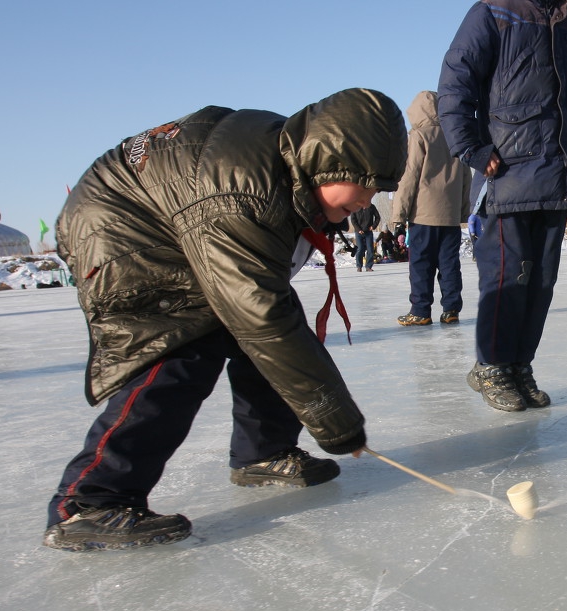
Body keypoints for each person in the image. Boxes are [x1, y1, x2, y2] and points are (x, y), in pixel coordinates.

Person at [42, 88, 407, 551]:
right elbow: (262, 321)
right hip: (120, 233)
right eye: (365, 181)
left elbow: (268, 319)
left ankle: (263, 451)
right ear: (330, 162)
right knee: (181, 350)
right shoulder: (243, 193)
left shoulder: (285, 161)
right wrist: (339, 425)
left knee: (274, 326)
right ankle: (89, 502)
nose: (369, 198)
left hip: (166, 217)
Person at [438, 0, 567, 412]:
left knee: (542, 282)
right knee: (508, 276)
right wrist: (474, 148)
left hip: (556, 174)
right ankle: (491, 365)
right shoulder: (493, 12)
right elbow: (455, 85)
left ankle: (519, 366)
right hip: (506, 177)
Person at [393, 90, 472, 326]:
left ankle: (420, 310)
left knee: (421, 265)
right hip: (449, 218)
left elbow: (409, 176)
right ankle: (451, 309)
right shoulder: (455, 136)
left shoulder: (419, 136)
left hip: (423, 216)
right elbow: (466, 176)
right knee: (449, 265)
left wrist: (399, 215)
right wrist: (462, 211)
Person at [349, 201, 381, 271]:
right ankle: (359, 266)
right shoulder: (355, 207)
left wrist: (373, 226)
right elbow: (353, 220)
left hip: (368, 232)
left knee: (370, 249)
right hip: (359, 232)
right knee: (360, 249)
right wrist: (358, 229)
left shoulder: (371, 207)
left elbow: (378, 217)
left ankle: (368, 266)